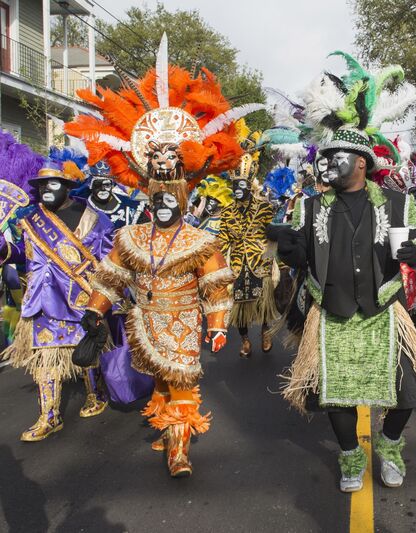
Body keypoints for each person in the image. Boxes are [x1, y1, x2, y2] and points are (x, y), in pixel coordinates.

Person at [65, 33, 258, 477]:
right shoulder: (132, 235)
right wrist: (95, 311)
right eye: (158, 198)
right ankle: (167, 426)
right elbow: (111, 276)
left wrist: (217, 326)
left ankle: (179, 450)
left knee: (182, 382)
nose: (164, 205)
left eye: (171, 197)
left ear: (182, 198)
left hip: (184, 320)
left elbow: (216, 283)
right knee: (160, 381)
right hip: (145, 321)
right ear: (151, 198)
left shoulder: (198, 239)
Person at [279, 55, 416, 492]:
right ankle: (349, 458)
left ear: (361, 162)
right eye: (325, 157)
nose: (326, 164)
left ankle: (390, 444)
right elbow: (299, 255)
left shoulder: (398, 203)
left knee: (407, 394)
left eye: (336, 157)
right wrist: (287, 246)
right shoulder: (308, 206)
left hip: (384, 310)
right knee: (334, 396)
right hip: (330, 313)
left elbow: (409, 246)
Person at [1, 157, 115, 441]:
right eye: (41, 186)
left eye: (52, 184)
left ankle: (96, 393)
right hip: (42, 299)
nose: (46, 190)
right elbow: (19, 255)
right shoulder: (30, 220)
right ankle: (49, 416)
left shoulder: (93, 218)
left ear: (66, 186)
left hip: (81, 298)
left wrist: (111, 294)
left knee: (86, 351)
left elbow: (109, 259)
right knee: (46, 359)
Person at [218, 143, 278, 357]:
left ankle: (265, 332)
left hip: (260, 261)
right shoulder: (226, 212)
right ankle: (244, 340)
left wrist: (271, 261)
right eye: (235, 187)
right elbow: (223, 238)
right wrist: (215, 263)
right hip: (236, 263)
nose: (238, 191)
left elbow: (272, 235)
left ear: (248, 186)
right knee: (239, 307)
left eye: (241, 186)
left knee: (263, 304)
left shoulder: (263, 207)